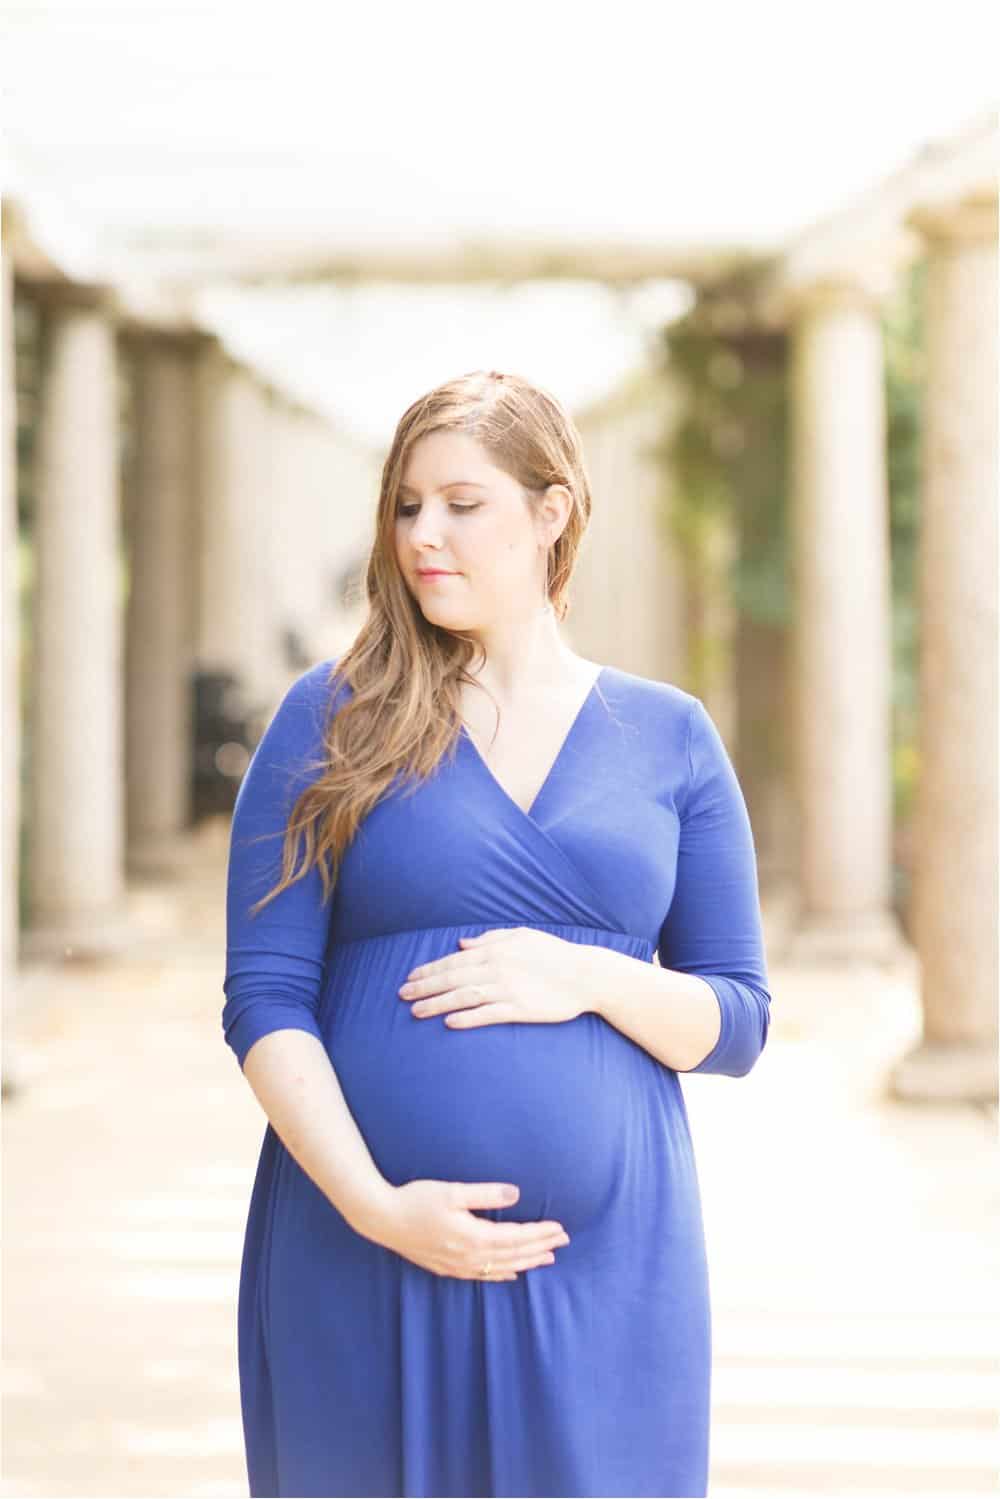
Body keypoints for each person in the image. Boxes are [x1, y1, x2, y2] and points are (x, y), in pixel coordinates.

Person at [222, 369, 772, 1498]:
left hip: (608, 1270)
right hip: (357, 1244)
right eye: (407, 503)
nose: (424, 533)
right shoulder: (328, 716)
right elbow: (263, 995)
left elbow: (737, 1019)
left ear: (551, 509)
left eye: (461, 503)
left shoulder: (668, 735)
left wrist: (588, 974)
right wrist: (378, 1206)